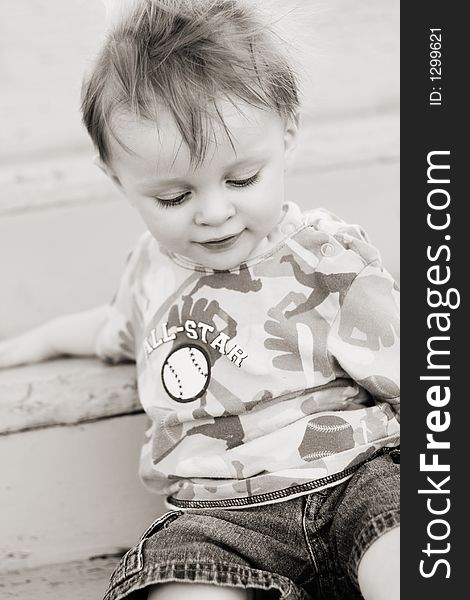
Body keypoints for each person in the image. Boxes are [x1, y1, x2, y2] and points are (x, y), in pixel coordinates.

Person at [0, 1, 400, 598]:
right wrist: (28, 344)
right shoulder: (148, 273)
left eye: (242, 179)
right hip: (215, 519)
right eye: (173, 196)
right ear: (117, 179)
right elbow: (112, 328)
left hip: (353, 477)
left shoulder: (326, 256)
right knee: (175, 581)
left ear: (287, 134)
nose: (214, 213)